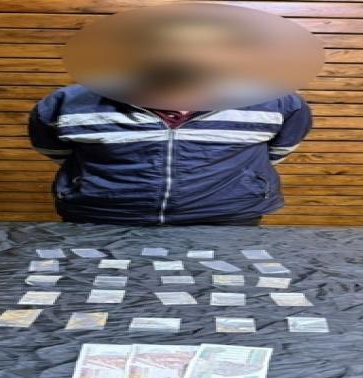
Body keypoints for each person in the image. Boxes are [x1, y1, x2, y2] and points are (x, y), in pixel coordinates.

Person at [27, 4, 318, 226]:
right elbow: (55, 149)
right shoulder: (67, 102)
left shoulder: (276, 101)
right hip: (100, 218)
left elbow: (277, 150)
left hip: (227, 219)